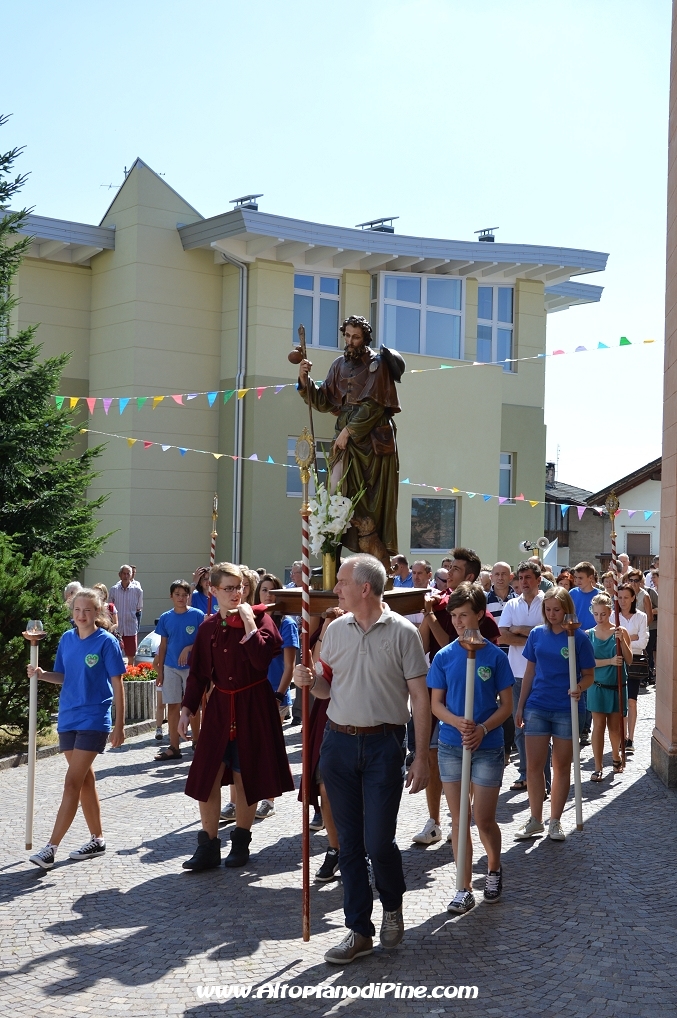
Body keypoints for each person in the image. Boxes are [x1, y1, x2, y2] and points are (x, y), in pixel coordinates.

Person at [294, 554, 430, 964]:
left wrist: (421, 755)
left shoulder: (404, 632)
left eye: (342, 582)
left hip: (383, 746)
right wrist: (309, 680)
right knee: (348, 844)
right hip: (337, 743)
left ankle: (392, 904)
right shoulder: (335, 630)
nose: (336, 589)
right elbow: (324, 689)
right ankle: (358, 930)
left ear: (365, 588)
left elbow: (420, 698)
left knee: (378, 841)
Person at [178, 563, 294, 870]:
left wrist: (250, 626)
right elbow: (199, 674)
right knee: (208, 776)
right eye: (228, 588)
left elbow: (260, 662)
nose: (236, 593)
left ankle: (241, 841)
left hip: (253, 705)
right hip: (219, 708)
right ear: (212, 591)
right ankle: (208, 846)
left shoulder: (261, 619)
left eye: (240, 587)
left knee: (246, 776)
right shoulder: (207, 628)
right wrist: (187, 708)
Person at [428, 583, 514, 914]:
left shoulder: (494, 656)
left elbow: (505, 705)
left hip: (488, 745)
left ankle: (493, 867)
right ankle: (462, 887)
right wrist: (456, 722)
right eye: (454, 616)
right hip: (452, 744)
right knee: (459, 818)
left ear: (480, 614)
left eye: (465, 615)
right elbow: (436, 704)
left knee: (483, 817)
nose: (459, 622)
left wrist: (482, 728)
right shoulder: (445, 655)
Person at [26, 588, 126, 870]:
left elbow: (118, 685)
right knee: (84, 781)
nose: (82, 615)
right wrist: (42, 675)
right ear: (72, 612)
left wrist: (119, 725)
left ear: (98, 613)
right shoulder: (67, 639)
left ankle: (51, 847)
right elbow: (64, 676)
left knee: (71, 781)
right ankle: (98, 839)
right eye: (77, 610)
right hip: (68, 718)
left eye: (87, 610)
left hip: (94, 718)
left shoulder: (106, 642)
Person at [297, 315, 403, 571]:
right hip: (345, 440)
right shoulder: (338, 365)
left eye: (356, 337)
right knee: (335, 494)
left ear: (365, 338)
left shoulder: (378, 365)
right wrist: (304, 380)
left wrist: (349, 431)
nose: (350, 341)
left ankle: (376, 564)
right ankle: (330, 558)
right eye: (347, 336)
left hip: (373, 444)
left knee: (370, 503)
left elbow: (375, 405)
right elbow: (323, 401)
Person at [414, 547, 500, 846]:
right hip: (439, 695)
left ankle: (459, 819)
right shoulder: (439, 605)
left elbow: (453, 642)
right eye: (448, 568)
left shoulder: (483, 618)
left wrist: (431, 616)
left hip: (472, 702)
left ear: (471, 576)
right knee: (433, 755)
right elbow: (425, 647)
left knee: (470, 759)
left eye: (456, 569)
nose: (448, 573)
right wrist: (429, 614)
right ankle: (435, 819)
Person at [514, 586, 595, 841]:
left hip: (567, 708)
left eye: (556, 610)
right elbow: (529, 672)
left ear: (566, 609)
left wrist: (579, 687)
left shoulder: (578, 637)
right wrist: (520, 706)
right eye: (547, 609)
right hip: (537, 705)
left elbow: (589, 675)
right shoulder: (536, 634)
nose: (551, 614)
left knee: (561, 767)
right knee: (534, 767)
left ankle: (555, 821)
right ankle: (535, 819)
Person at [253, 573, 299, 818]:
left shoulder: (286, 623)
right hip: (253, 693)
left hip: (275, 694)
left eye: (272, 590)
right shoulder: (253, 620)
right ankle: (239, 799)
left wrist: (279, 695)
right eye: (263, 590)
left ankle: (268, 800)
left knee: (268, 749)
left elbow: (290, 666)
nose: (267, 595)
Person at [499, 561, 546, 792]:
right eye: (521, 577)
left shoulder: (548, 602)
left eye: (529, 577)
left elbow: (549, 635)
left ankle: (543, 778)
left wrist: (520, 630)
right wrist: (533, 638)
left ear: (538, 579)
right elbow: (503, 637)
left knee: (541, 728)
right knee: (520, 727)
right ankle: (525, 773)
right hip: (516, 673)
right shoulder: (511, 604)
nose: (525, 582)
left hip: (543, 675)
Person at [154, 580, 205, 761]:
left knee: (192, 705)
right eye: (177, 595)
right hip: (170, 667)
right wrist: (160, 671)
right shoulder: (166, 618)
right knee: (173, 705)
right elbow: (163, 644)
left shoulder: (198, 615)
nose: (181, 598)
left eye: (185, 595)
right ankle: (174, 746)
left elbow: (203, 641)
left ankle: (197, 741)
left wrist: (189, 648)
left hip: (191, 667)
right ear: (171, 597)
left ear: (189, 596)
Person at [587, 593, 631, 781]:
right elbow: (589, 663)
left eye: (603, 614)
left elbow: (629, 660)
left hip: (617, 685)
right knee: (598, 727)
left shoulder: (620, 632)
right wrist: (610, 661)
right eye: (596, 614)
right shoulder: (589, 635)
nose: (599, 618)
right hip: (597, 686)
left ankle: (615, 755)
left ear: (610, 612)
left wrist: (622, 642)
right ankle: (598, 767)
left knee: (614, 728)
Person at [616, 583, 648, 755]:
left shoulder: (641, 617)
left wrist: (624, 640)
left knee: (632, 701)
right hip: (618, 661)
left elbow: (643, 643)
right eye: (620, 597)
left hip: (634, 663)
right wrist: (631, 638)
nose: (623, 601)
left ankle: (630, 738)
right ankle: (621, 735)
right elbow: (611, 642)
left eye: (626, 597)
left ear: (633, 598)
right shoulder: (614, 616)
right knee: (620, 702)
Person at [109, 564, 143, 664]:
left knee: (131, 655)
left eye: (128, 573)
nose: (126, 576)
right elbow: (110, 609)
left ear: (131, 575)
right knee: (115, 653)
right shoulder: (114, 590)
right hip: (117, 629)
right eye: (124, 573)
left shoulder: (138, 591)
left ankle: (130, 675)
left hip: (130, 627)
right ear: (119, 575)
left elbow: (138, 609)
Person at [646, 570, 659, 679]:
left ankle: (649, 672)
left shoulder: (651, 592)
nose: (652, 579)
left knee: (650, 650)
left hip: (653, 626)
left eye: (654, 577)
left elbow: (661, 609)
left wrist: (649, 610)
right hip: (643, 627)